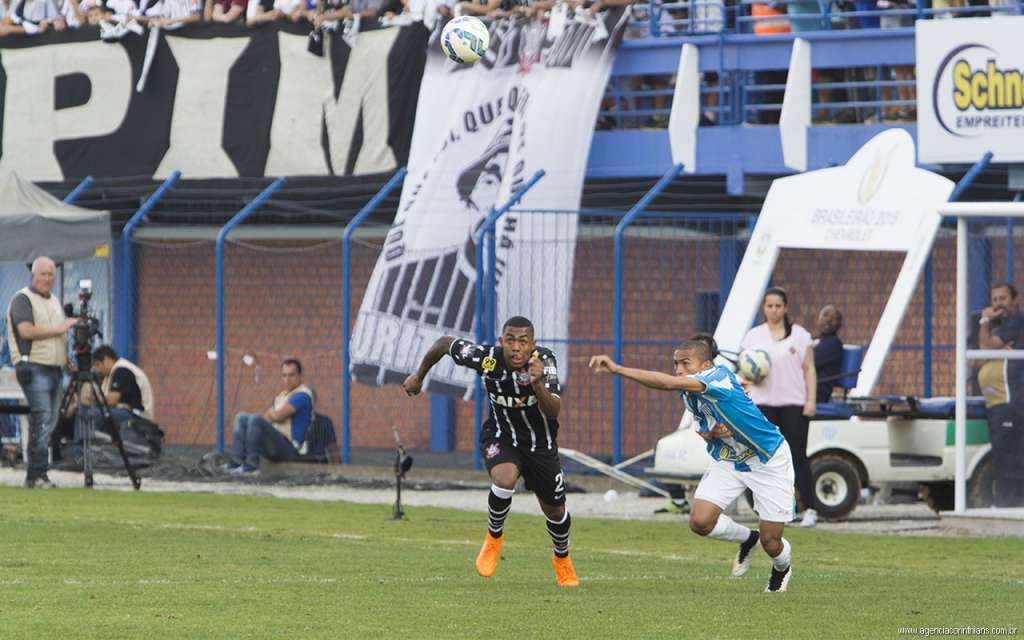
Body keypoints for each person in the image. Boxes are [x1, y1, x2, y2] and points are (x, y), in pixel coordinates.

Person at [589, 338, 796, 592]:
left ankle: (781, 567)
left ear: (706, 365)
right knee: (700, 522)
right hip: (730, 459)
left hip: (767, 460)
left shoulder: (718, 377)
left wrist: (617, 369)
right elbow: (703, 427)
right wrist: (712, 433)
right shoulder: (690, 393)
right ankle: (747, 538)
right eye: (675, 363)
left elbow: (666, 382)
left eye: (685, 363)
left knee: (772, 543)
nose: (678, 369)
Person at [402, 316, 580, 587]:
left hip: (540, 446)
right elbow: (443, 343)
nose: (516, 347)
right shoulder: (487, 359)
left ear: (533, 344)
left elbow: (554, 410)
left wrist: (537, 385)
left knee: (555, 511)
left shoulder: (545, 361)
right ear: (501, 342)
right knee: (505, 479)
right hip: (501, 436)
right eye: (510, 340)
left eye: (523, 341)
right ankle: (493, 538)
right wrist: (418, 376)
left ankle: (562, 559)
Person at [740, 287, 818, 527]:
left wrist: (811, 401)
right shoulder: (754, 336)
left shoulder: (800, 335)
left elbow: (809, 369)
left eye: (777, 306)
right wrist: (751, 379)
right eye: (769, 306)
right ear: (764, 308)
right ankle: (768, 509)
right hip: (763, 405)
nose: (773, 310)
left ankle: (810, 509)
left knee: (796, 456)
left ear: (785, 308)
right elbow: (745, 370)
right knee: (764, 457)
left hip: (793, 403)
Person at [5, 257, 78, 488]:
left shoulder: (54, 301)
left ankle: (36, 474)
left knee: (51, 420)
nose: (47, 279)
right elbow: (25, 331)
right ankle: (37, 474)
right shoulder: (23, 299)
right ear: (33, 276)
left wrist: (68, 363)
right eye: (43, 274)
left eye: (50, 275)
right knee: (42, 417)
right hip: (34, 366)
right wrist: (59, 328)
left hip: (55, 368)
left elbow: (59, 339)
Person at [977, 282, 1024, 507]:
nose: (998, 305)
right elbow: (979, 355)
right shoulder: (999, 328)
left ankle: (1010, 506)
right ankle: (1008, 503)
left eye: (1003, 299)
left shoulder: (1016, 322)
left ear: (1016, 300)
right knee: (1002, 457)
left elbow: (986, 346)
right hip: (997, 404)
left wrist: (984, 321)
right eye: (994, 300)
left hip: (1011, 402)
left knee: (1010, 458)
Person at [227, 358, 314, 474]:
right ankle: (236, 463)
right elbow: (267, 417)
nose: (287, 380)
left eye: (291, 375)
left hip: (291, 449)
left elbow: (278, 416)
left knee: (256, 419)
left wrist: (272, 415)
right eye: (284, 376)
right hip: (276, 443)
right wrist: (271, 415)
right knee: (241, 417)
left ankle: (251, 466)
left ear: (300, 375)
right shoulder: (282, 395)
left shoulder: (302, 395)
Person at [813, 305, 844, 404]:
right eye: (825, 315)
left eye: (833, 318)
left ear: (839, 324)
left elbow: (808, 362)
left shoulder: (833, 344)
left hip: (816, 393)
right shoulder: (819, 342)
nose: (828, 320)